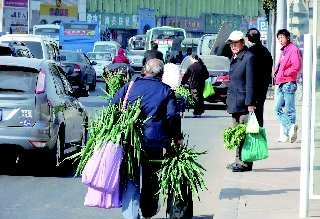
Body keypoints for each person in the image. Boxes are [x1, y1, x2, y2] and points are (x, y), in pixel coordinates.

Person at [113, 58, 182, 219]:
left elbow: (113, 105)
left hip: (131, 142)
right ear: (162, 74)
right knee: (151, 177)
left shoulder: (130, 86)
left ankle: (131, 215)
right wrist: (176, 137)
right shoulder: (166, 90)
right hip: (155, 142)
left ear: (145, 70)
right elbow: (172, 116)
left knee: (131, 179)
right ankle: (148, 210)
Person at [225, 31, 256, 172]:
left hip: (243, 103)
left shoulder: (248, 57)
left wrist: (250, 103)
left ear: (243, 43)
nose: (233, 46)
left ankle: (245, 163)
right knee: (237, 134)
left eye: (236, 43)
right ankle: (238, 160)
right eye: (232, 44)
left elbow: (251, 82)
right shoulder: (236, 57)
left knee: (243, 134)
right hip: (235, 102)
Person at [274, 29, 302, 143]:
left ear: (288, 37)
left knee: (289, 110)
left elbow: (297, 65)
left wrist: (285, 73)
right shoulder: (284, 50)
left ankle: (288, 133)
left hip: (288, 83)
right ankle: (290, 129)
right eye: (279, 38)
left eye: (282, 37)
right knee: (277, 109)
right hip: (282, 83)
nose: (280, 39)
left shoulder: (293, 49)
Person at [246, 28, 273, 127]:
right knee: (259, 113)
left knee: (250, 117)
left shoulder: (249, 53)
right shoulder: (266, 52)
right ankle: (259, 136)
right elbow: (269, 70)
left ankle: (252, 140)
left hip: (251, 89)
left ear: (248, 39)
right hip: (263, 89)